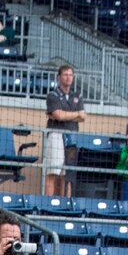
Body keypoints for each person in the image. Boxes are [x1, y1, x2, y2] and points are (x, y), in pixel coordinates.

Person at [44, 65, 86, 197]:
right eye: (65, 75)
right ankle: (47, 203)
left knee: (67, 173)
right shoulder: (53, 95)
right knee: (53, 171)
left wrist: (65, 115)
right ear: (59, 77)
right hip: (56, 134)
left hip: (72, 136)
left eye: (70, 75)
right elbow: (58, 115)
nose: (68, 78)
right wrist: (75, 114)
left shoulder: (77, 95)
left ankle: (65, 205)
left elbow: (83, 117)